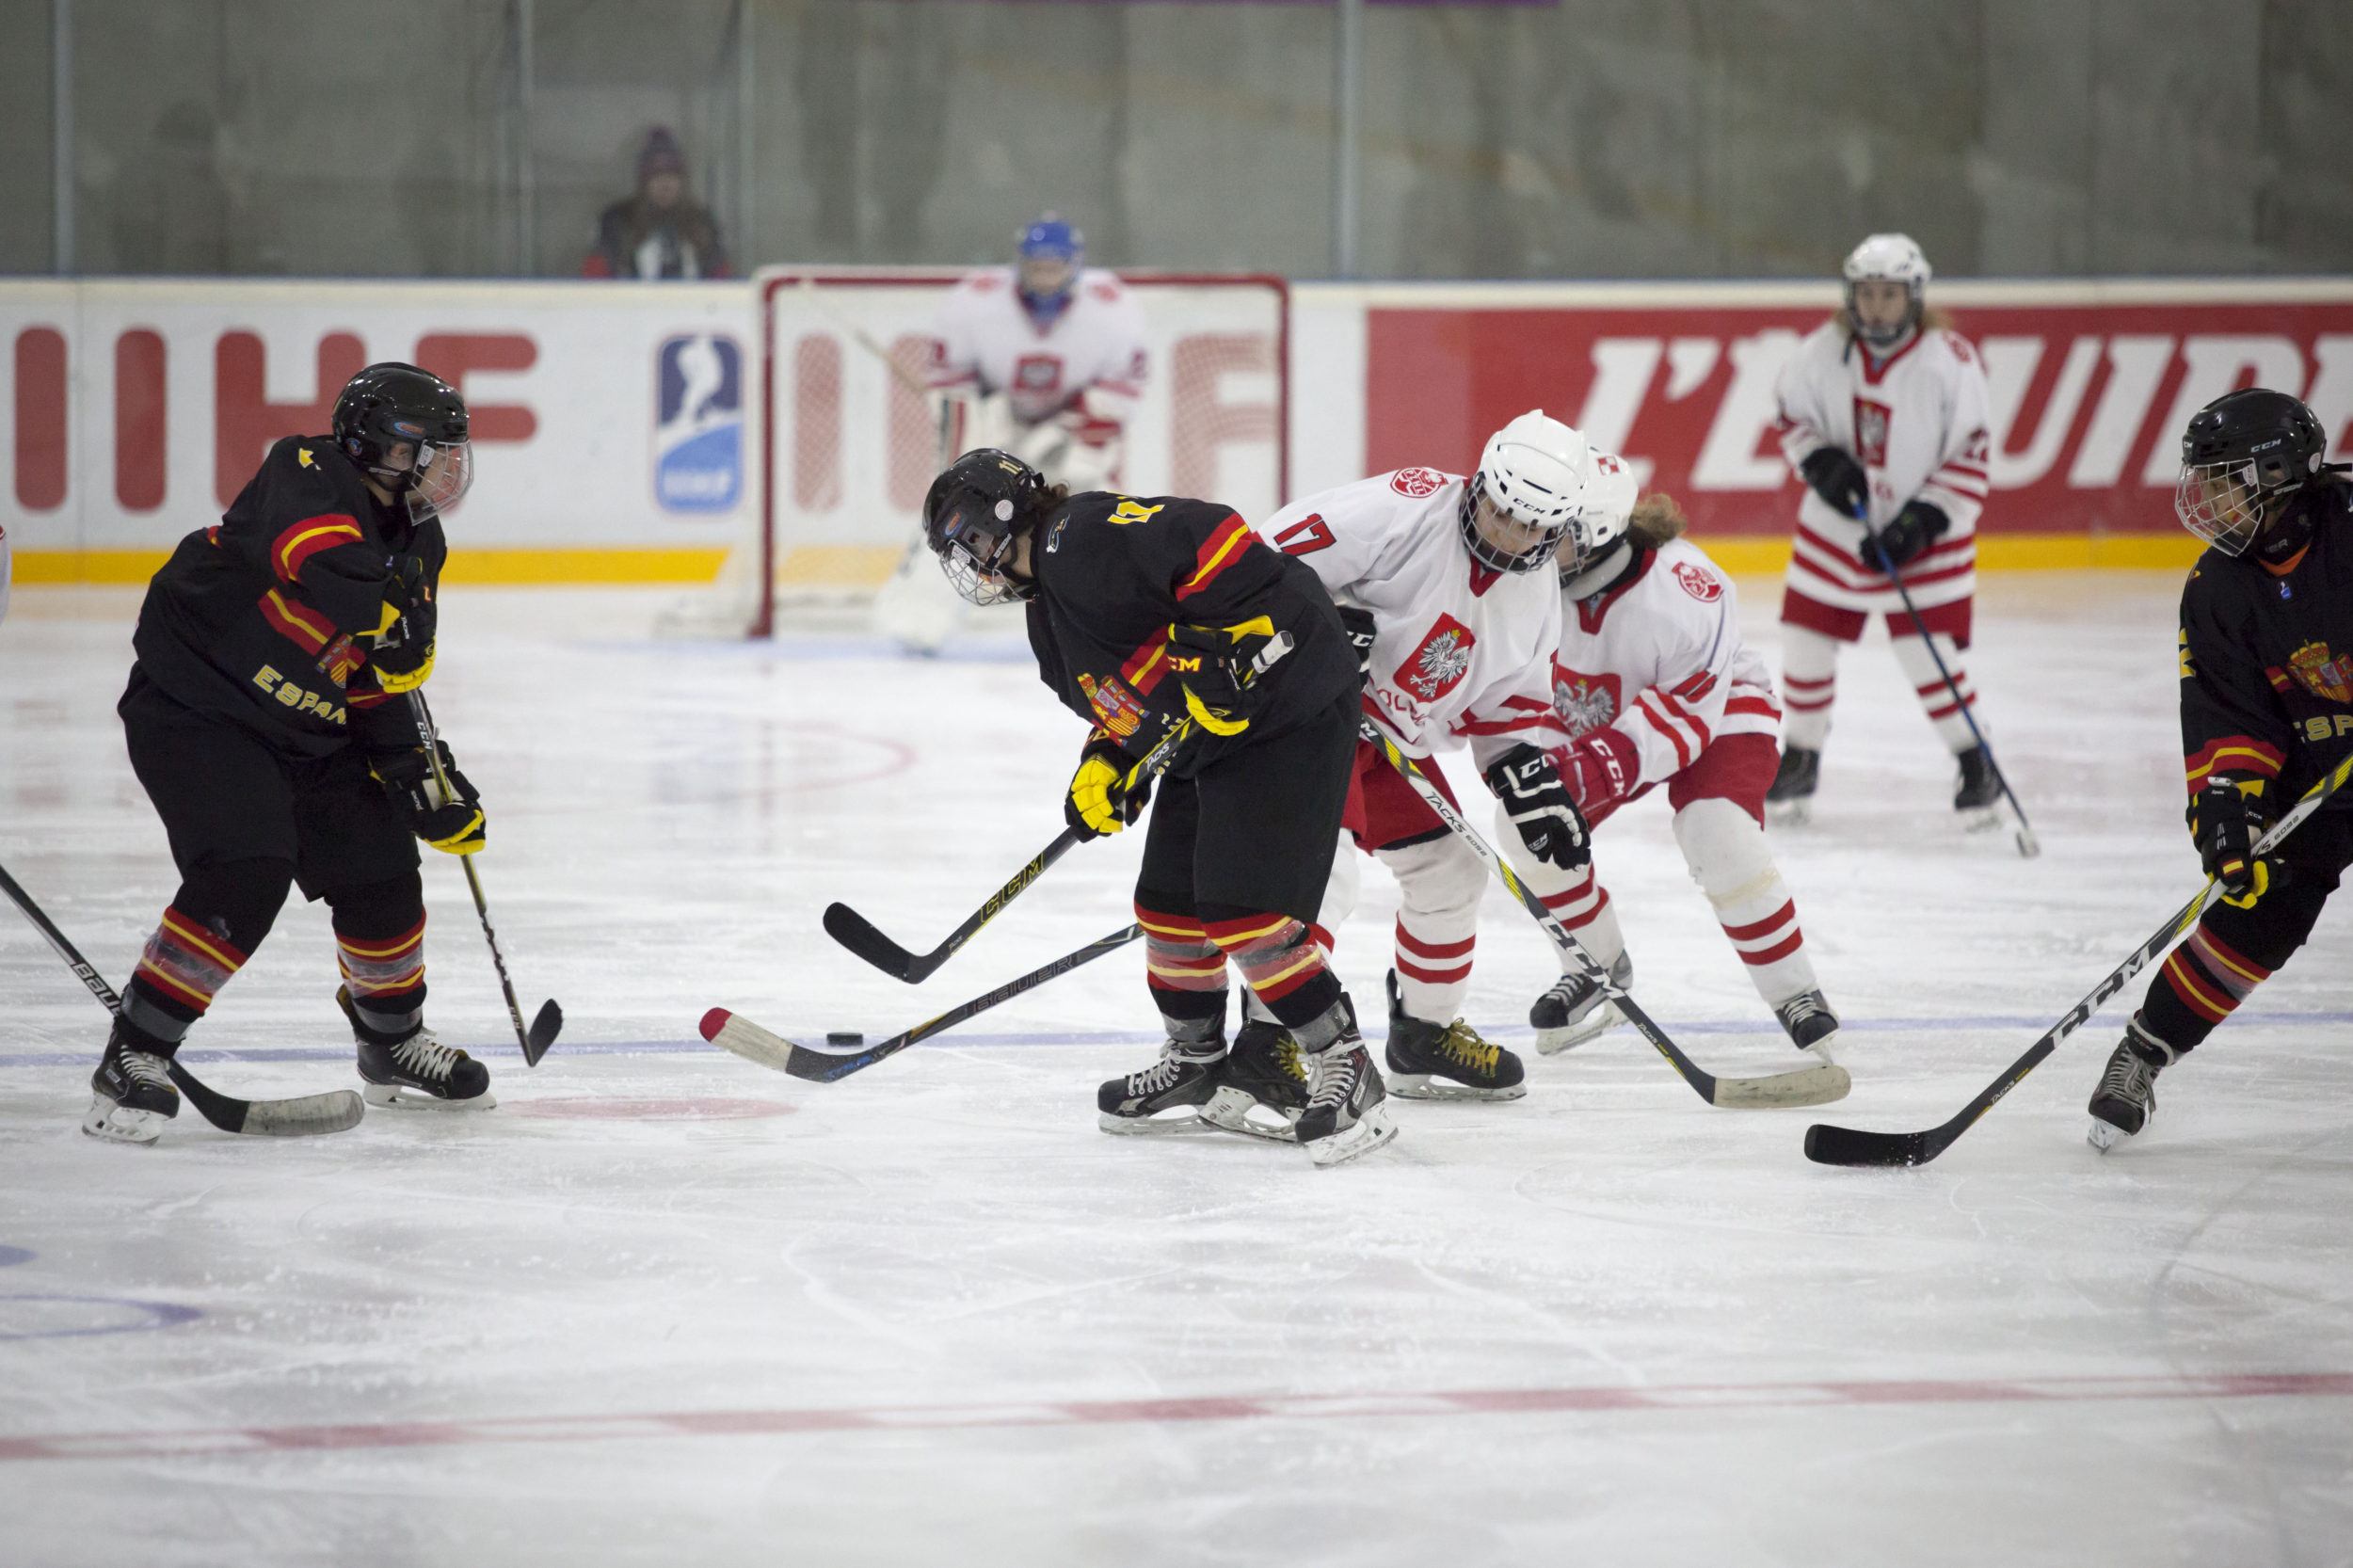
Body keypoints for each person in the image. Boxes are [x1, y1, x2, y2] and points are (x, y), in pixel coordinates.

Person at [918, 449, 1392, 1166]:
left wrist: (1228, 646)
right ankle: (1198, 1063)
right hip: (1216, 740)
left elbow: (1217, 538)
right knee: (1168, 909)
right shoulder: (1048, 616)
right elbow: (1125, 704)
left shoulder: (1077, 535)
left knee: (1245, 912)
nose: (977, 564)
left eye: (977, 541)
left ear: (1010, 512)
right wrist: (1106, 764)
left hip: (1291, 711)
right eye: (966, 553)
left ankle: (1346, 1066)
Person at [85, 363, 495, 1144]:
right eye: (429, 451)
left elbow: (376, 672)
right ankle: (135, 1053)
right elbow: (321, 561)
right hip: (201, 708)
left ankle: (391, 1042)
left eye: (451, 453)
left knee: (380, 869)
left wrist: (418, 769)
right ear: (376, 446)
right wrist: (387, 611)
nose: (446, 469)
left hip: (310, 727)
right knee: (245, 870)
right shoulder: (306, 471)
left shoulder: (420, 537)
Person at [1255, 413, 1612, 1105]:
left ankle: (1423, 1034)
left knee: (1450, 871)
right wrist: (1319, 624)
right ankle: (1269, 1046)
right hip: (1297, 722)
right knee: (1322, 879)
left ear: (1559, 529)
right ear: (1479, 484)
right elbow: (1261, 560)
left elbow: (1509, 709)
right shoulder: (1405, 507)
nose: (1507, 534)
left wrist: (1527, 781)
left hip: (1384, 742)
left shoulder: (1536, 599)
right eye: (1499, 511)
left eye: (1530, 528)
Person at [2088, 389, 2353, 1151]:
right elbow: (2227, 711)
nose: (2203, 498)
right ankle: (2143, 1051)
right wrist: (2230, 806)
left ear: (2276, 476)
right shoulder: (2218, 586)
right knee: (2262, 896)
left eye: (2223, 478)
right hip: (2314, 764)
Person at [1501, 489, 1841, 1058]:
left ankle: (1796, 993)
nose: (1532, 544)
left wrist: (1599, 765)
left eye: (1553, 533)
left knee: (1716, 830)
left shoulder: (1685, 587)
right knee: (1525, 823)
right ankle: (1593, 966)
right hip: (1601, 715)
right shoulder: (1531, 584)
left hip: (1716, 708)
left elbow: (1686, 716)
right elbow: (1532, 689)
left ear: (1595, 536)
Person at [1765, 232, 2000, 826]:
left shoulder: (1949, 360)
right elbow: (1791, 413)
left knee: (1925, 651)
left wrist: (1922, 522)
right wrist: (1821, 462)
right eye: (1865, 294)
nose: (1874, 307)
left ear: (1914, 297)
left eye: (1888, 295)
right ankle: (1801, 754)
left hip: (1924, 533)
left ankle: (1977, 761)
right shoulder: (1822, 350)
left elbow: (1972, 451)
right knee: (1805, 637)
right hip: (1839, 528)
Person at [875, 215, 1148, 653]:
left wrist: (1060, 434)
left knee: (1096, 512)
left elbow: (1121, 392)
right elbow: (952, 387)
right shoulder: (975, 301)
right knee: (959, 512)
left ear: (1075, 266)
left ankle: (1119, 620)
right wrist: (973, 448)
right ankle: (918, 616)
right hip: (994, 422)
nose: (1044, 276)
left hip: (1072, 432)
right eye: (1036, 266)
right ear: (1019, 264)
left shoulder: (1113, 306)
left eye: (1054, 266)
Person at [583, 127, 730, 281]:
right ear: (643, 181)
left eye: (672, 176)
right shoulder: (617, 222)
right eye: (656, 176)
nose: (665, 185)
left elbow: (721, 282)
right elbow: (595, 282)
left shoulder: (702, 223)